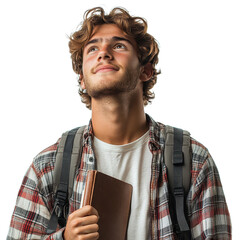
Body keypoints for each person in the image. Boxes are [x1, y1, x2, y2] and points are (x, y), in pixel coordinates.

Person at [7, 7, 231, 240]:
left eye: (118, 45)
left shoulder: (192, 160)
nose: (103, 53)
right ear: (82, 79)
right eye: (92, 48)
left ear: (146, 70)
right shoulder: (48, 167)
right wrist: (64, 238)